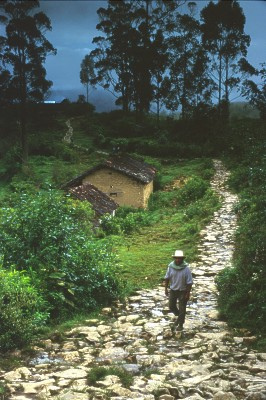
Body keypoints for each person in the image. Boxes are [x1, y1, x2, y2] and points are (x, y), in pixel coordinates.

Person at [164, 250, 193, 331]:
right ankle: (180, 316)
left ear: (182, 259)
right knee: (171, 306)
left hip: (183, 290)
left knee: (182, 308)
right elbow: (167, 278)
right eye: (176, 258)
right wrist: (166, 289)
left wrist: (188, 293)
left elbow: (189, 282)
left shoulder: (186, 268)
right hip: (173, 290)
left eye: (179, 258)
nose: (178, 260)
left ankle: (180, 324)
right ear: (174, 258)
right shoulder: (170, 267)